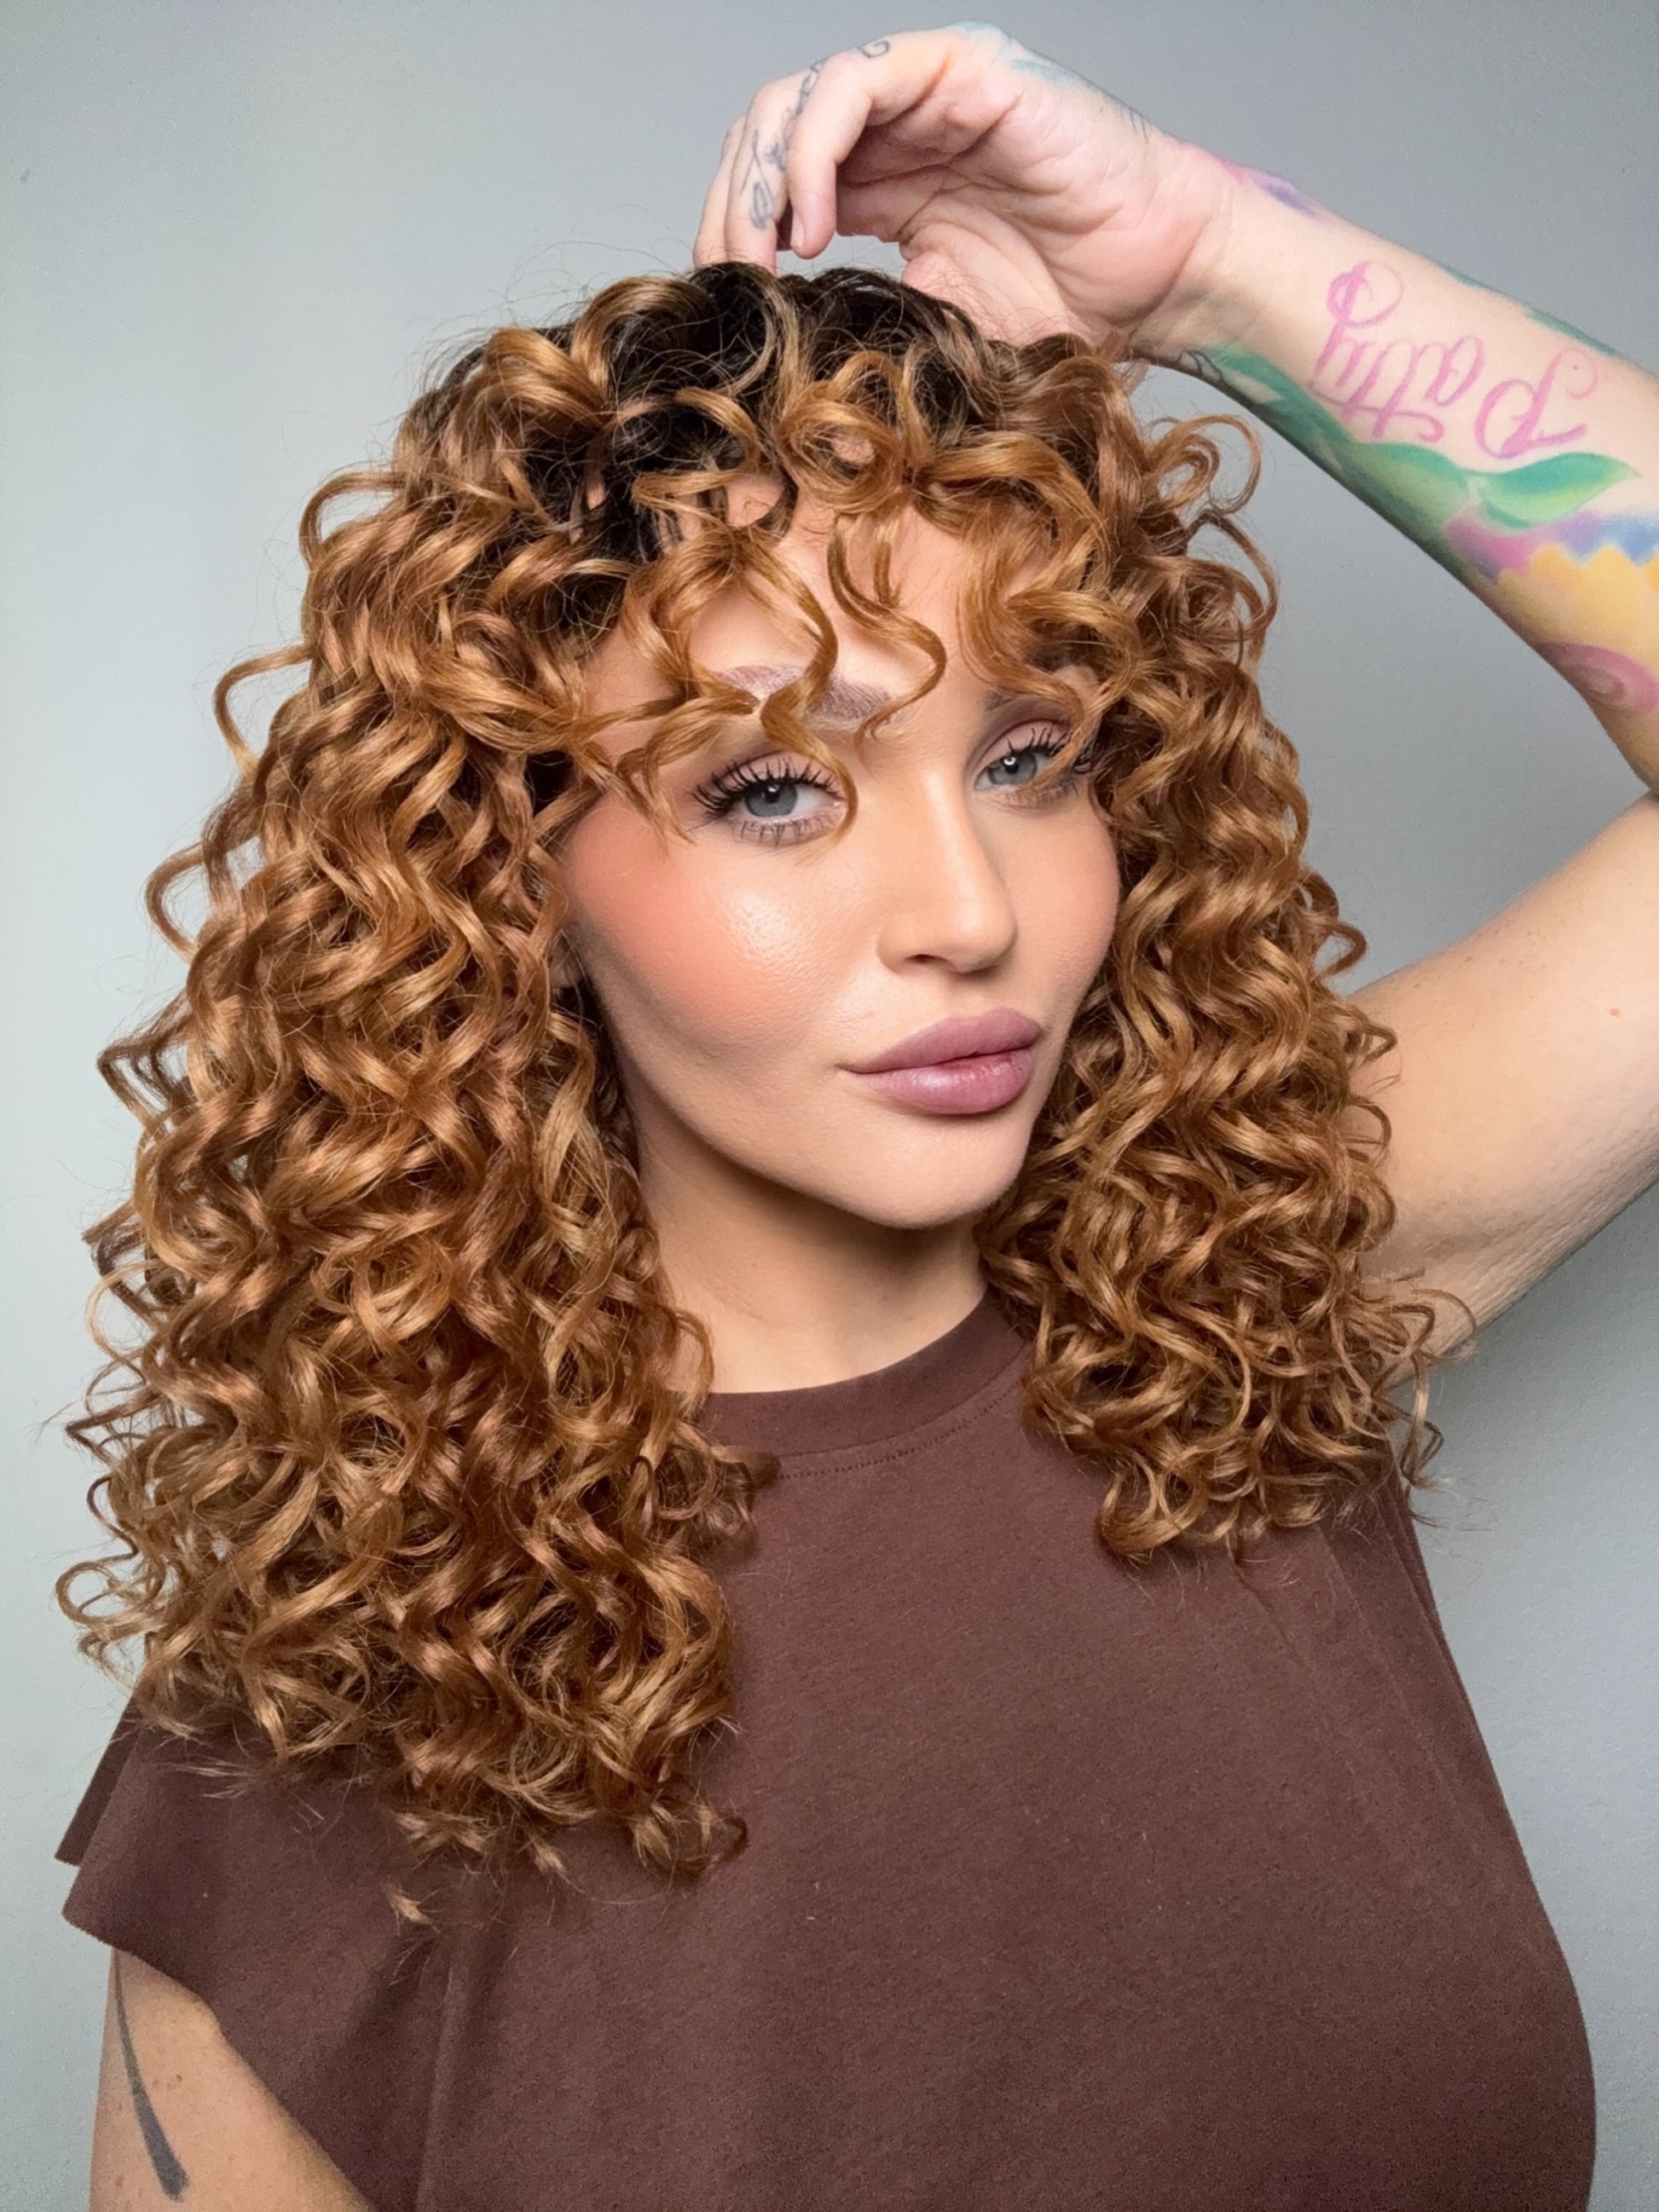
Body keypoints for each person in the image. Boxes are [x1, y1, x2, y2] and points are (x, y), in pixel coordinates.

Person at [53, 24, 1655, 2212]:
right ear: (510, 868)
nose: (968, 910)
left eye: (1030, 755)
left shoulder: (1244, 1280)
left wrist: (1202, 266)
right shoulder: (341, 1703)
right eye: (776, 788)